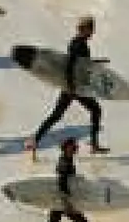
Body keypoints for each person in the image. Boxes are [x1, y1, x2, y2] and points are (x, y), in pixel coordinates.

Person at [27, 15, 109, 154]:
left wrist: (97, 62)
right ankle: (94, 145)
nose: (93, 32)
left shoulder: (78, 43)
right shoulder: (78, 45)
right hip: (74, 87)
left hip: (73, 86)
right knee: (95, 110)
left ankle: (35, 140)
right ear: (85, 29)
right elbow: (70, 66)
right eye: (91, 29)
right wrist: (71, 88)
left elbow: (81, 64)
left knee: (57, 114)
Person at [29, 137, 89, 222]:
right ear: (67, 147)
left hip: (59, 200)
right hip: (62, 201)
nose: (77, 148)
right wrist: (66, 203)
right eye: (74, 146)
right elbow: (61, 183)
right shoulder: (64, 164)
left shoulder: (67, 160)